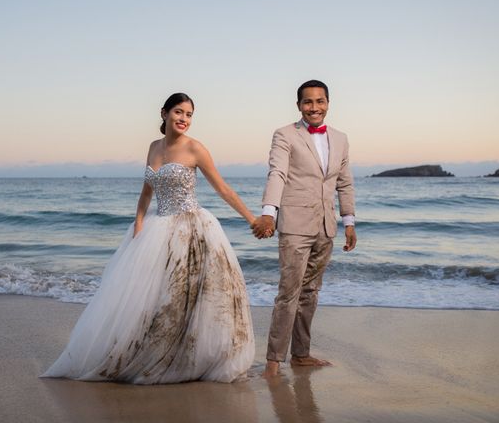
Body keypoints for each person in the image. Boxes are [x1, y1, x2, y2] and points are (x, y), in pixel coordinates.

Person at [41, 93, 256, 384]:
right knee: (156, 298)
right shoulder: (154, 147)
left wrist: (252, 219)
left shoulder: (196, 148)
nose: (184, 119)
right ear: (164, 113)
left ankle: (191, 357)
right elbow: (146, 192)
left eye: (189, 114)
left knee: (190, 296)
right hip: (157, 228)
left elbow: (223, 189)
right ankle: (153, 353)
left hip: (192, 228)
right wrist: (139, 224)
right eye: (179, 112)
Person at [251, 80, 357, 377]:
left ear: (328, 103)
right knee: (289, 293)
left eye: (320, 101)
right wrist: (268, 213)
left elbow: (344, 182)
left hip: (327, 226)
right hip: (295, 225)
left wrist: (348, 221)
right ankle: (274, 360)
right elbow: (278, 173)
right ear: (299, 105)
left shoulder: (341, 138)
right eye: (308, 102)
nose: (314, 107)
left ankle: (301, 354)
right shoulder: (285, 135)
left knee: (311, 292)